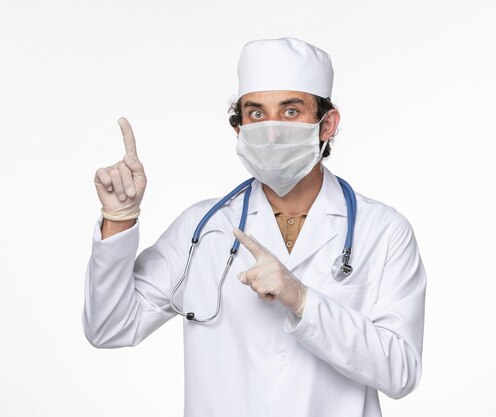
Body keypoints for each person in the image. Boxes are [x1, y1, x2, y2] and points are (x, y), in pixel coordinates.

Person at [83, 37, 427, 417]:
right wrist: (119, 218)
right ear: (240, 128)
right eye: (257, 114)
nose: (273, 130)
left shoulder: (383, 231)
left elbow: (402, 372)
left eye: (291, 111)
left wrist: (304, 300)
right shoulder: (204, 228)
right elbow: (110, 327)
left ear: (326, 124)